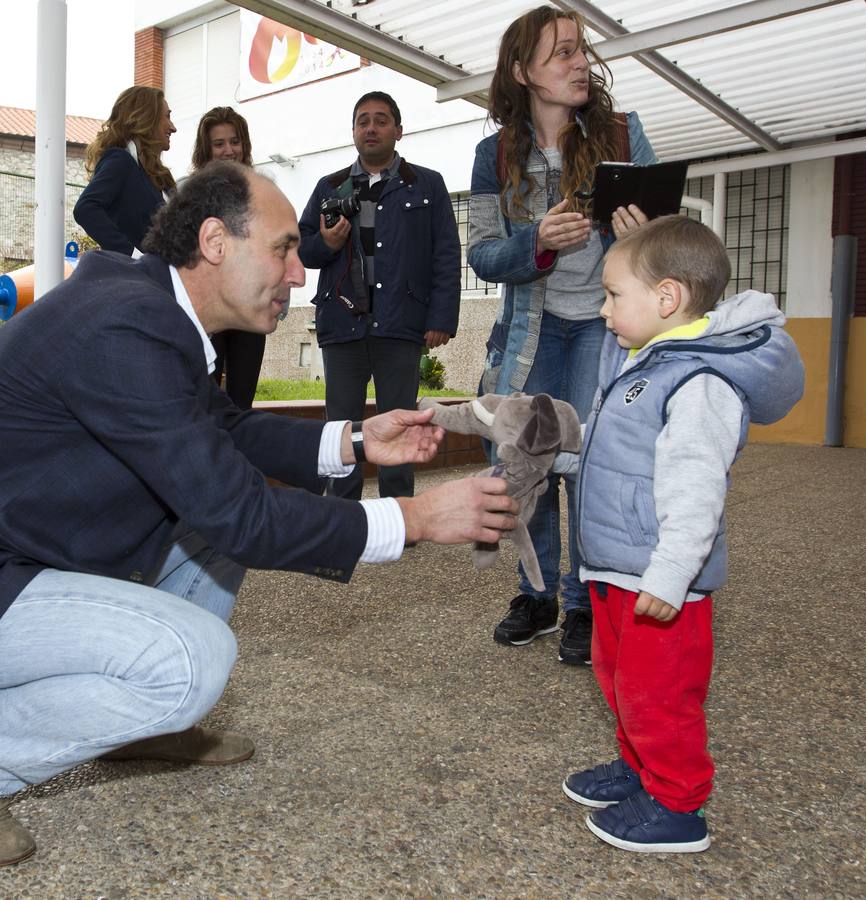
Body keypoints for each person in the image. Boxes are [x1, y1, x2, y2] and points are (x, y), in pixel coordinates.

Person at [0, 162, 519, 868]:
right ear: (214, 242)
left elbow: (224, 435)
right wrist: (415, 519)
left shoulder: (150, 309)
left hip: (22, 557)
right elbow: (243, 515)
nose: (300, 274)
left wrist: (357, 439)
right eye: (283, 248)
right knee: (193, 662)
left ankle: (131, 729)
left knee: (210, 515)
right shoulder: (125, 325)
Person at [557, 216, 804, 853]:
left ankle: (676, 803)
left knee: (660, 693)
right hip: (617, 570)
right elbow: (615, 451)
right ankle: (641, 768)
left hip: (659, 579)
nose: (603, 308)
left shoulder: (697, 382)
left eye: (613, 295)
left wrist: (672, 573)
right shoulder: (642, 361)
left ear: (666, 298)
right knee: (620, 681)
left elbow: (696, 491)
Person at [467, 5, 658, 665]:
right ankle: (537, 593)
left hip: (606, 327)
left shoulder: (623, 136)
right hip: (534, 330)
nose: (580, 63)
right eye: (561, 54)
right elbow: (484, 256)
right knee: (528, 463)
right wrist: (537, 243)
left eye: (581, 50)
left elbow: (666, 242)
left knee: (590, 467)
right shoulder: (493, 154)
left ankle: (582, 603)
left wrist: (643, 240)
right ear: (524, 72)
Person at [298, 91, 460, 501]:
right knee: (342, 426)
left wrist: (441, 316)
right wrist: (327, 244)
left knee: (400, 422)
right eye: (362, 121)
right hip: (342, 323)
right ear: (353, 131)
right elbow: (300, 249)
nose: (371, 128)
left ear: (398, 131)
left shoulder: (428, 184)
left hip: (402, 322)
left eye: (381, 120)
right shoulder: (329, 186)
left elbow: (445, 252)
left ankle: (399, 510)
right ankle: (342, 512)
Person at [192, 106, 266, 409]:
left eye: (234, 142)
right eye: (219, 143)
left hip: (249, 305)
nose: (228, 150)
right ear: (206, 149)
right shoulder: (193, 192)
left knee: (242, 401)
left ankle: (238, 455)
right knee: (204, 397)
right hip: (209, 307)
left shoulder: (261, 188)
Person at [73, 85, 177, 256]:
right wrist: (132, 255)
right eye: (167, 116)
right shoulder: (120, 160)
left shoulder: (161, 176)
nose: (173, 127)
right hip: (139, 278)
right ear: (146, 118)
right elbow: (86, 208)